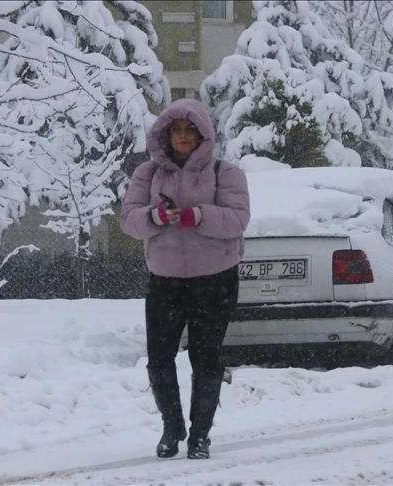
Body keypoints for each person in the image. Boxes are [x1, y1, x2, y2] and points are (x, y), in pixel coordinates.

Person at [120, 99, 250, 460]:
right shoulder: (147, 174)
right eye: (175, 129)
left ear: (202, 134)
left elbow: (238, 219)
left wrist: (199, 215)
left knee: (206, 359)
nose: (182, 135)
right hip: (166, 281)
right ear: (164, 134)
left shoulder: (226, 173)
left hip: (215, 281)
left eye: (189, 129)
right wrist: (156, 216)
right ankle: (171, 426)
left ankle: (200, 436)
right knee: (159, 359)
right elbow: (128, 219)